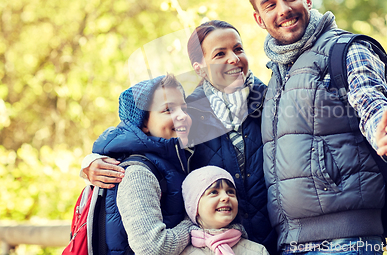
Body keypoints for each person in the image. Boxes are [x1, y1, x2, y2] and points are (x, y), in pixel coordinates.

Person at [245, 0, 387, 254]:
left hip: (346, 242)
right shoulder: (275, 78)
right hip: (290, 244)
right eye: (270, 4)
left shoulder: (346, 49)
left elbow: (371, 103)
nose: (283, 9)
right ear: (259, 19)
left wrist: (386, 135)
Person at [81, 21, 277, 254]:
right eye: (219, 54)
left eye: (238, 49)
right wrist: (90, 163)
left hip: (272, 241)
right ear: (200, 68)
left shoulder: (273, 102)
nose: (233, 59)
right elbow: (133, 136)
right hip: (213, 245)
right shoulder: (189, 112)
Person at [90, 74, 193, 255]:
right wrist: (195, 224)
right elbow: (152, 248)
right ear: (144, 122)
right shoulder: (139, 173)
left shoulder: (176, 159)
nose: (182, 116)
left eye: (184, 108)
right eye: (168, 110)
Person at [180, 165, 269, 255]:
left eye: (230, 192)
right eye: (214, 192)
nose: (226, 197)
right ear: (194, 206)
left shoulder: (258, 251)